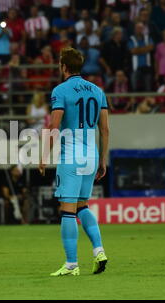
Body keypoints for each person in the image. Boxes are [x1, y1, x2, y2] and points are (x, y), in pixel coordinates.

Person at [39, 47, 109, 276]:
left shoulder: (60, 90)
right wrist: (103, 159)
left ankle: (71, 265)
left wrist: (44, 155)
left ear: (64, 66)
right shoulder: (98, 91)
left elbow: (54, 125)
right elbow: (105, 129)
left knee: (67, 210)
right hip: (92, 154)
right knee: (82, 206)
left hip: (71, 153)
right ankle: (99, 251)